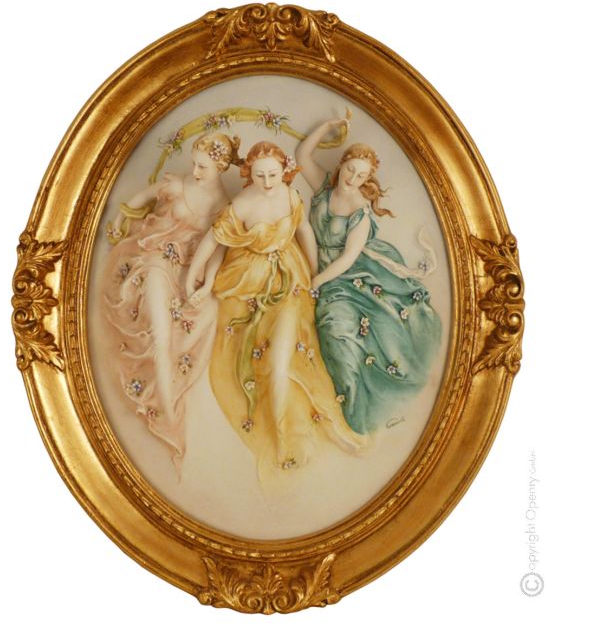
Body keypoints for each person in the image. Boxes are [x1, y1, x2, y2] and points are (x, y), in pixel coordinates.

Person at [186, 141, 365, 477]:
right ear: (249, 174)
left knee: (282, 359)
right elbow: (213, 241)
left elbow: (304, 230)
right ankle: (280, 438)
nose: (267, 182)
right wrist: (197, 279)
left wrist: (313, 276)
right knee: (251, 360)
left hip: (289, 279)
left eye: (273, 174)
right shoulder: (242, 203)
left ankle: (307, 430)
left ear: (284, 170)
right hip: (246, 284)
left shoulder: (290, 195)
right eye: (259, 175)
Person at [101, 133, 241, 470]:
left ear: (221, 166)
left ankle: (171, 415)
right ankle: (168, 417)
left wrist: (208, 283)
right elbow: (142, 197)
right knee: (162, 337)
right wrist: (120, 220)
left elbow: (217, 250)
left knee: (204, 318)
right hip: (155, 260)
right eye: (194, 164)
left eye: (203, 167)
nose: (195, 171)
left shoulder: (225, 207)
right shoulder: (179, 185)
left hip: (188, 274)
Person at [296, 119, 442, 433]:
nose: (353, 179)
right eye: (350, 170)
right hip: (310, 259)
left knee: (337, 331)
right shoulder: (323, 187)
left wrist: (318, 281)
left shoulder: (360, 211)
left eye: (361, 175)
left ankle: (353, 413)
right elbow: (302, 155)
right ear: (341, 164)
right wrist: (328, 126)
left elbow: (348, 258)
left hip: (344, 277)